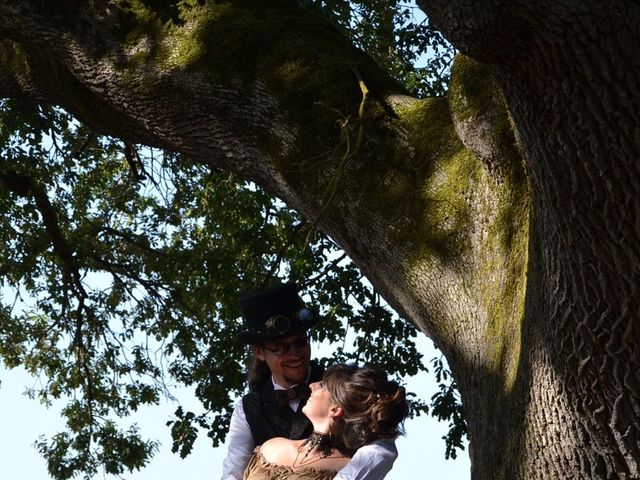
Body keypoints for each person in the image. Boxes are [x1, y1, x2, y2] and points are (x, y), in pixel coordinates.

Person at [222, 283, 401, 479]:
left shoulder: (336, 390)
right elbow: (233, 472)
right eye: (281, 348)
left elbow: (381, 449)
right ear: (259, 352)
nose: (295, 354)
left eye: (300, 342)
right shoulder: (247, 409)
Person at [243, 363, 410, 479]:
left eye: (322, 385)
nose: (312, 385)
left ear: (335, 410)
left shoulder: (348, 468)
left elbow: (382, 451)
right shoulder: (273, 446)